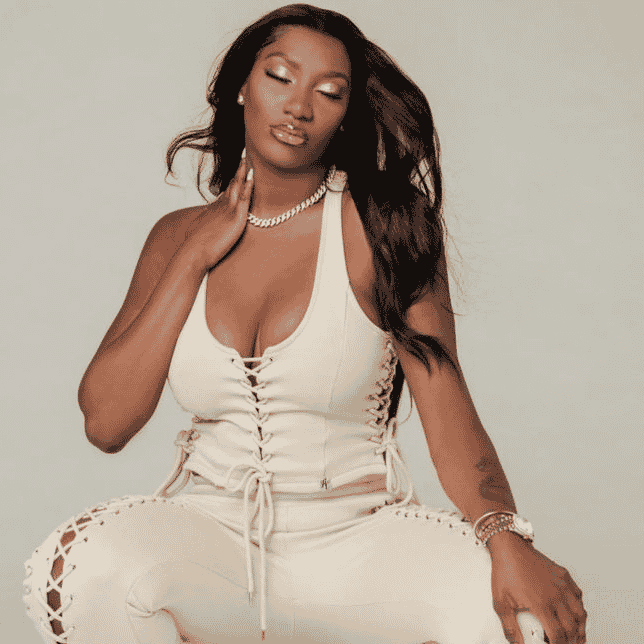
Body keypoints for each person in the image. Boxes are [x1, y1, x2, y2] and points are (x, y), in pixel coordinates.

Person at [22, 4, 587, 643]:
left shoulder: (385, 227)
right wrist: (192, 257)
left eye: (329, 92)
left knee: (524, 622)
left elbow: (447, 404)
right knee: (78, 572)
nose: (298, 106)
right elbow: (106, 424)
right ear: (242, 85)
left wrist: (506, 537)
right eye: (279, 76)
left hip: (360, 542)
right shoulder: (175, 237)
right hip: (210, 542)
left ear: (347, 112)